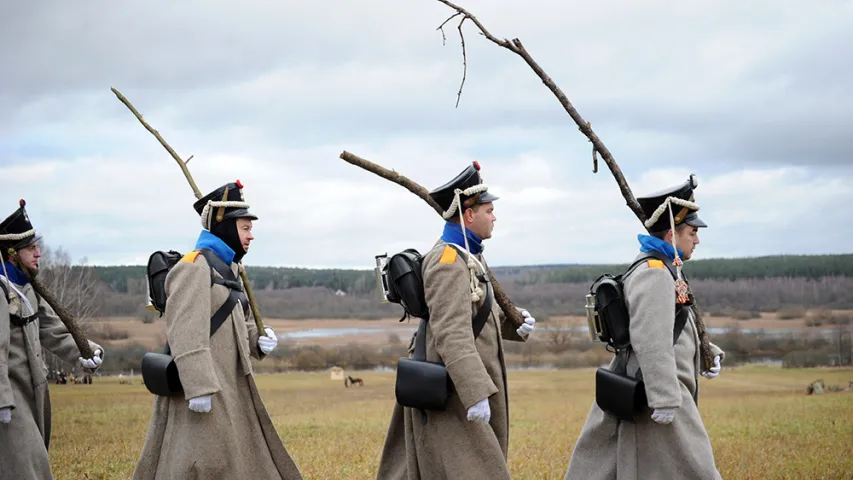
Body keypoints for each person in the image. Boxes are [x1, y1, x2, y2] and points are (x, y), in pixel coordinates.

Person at [132, 180, 303, 480]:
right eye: (245, 228)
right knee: (203, 465)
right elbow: (184, 331)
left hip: (232, 387)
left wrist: (257, 341)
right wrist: (199, 387)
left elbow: (241, 321)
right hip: (204, 391)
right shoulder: (193, 268)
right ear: (224, 227)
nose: (251, 235)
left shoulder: (232, 269)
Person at [375, 161, 537, 480]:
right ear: (468, 215)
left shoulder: (468, 254)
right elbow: (451, 331)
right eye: (488, 210)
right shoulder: (448, 260)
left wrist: (513, 325)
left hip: (464, 382)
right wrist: (474, 392)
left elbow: (474, 311)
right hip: (455, 389)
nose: (494, 216)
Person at [564, 174, 726, 480]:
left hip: (658, 388)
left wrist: (708, 352)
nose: (697, 239)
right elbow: (650, 339)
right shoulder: (654, 273)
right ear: (671, 235)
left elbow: (676, 325)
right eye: (692, 231)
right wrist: (664, 398)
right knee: (699, 471)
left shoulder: (667, 268)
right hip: (660, 391)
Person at [0, 199, 104, 479]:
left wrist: (85, 352)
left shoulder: (25, 287)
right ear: (11, 253)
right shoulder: (1, 291)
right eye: (31, 249)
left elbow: (50, 328)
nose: (38, 254)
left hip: (32, 390)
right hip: (9, 398)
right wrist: (2, 400)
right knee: (30, 468)